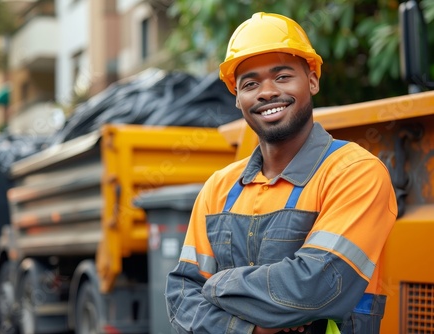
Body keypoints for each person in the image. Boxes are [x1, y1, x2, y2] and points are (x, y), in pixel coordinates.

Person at [165, 12, 397, 334]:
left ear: (312, 81)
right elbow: (180, 300)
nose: (267, 92)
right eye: (250, 84)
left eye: (283, 76)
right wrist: (252, 329)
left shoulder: (354, 172)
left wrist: (217, 286)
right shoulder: (218, 188)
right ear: (238, 98)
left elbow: (317, 287)